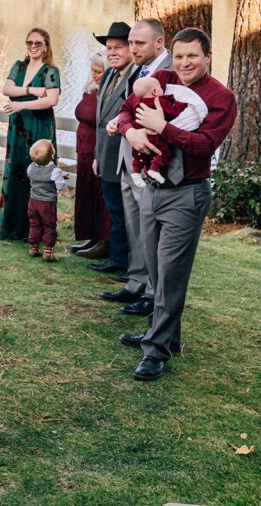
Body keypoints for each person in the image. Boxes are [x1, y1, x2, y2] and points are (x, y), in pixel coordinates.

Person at [117, 28, 236, 381]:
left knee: (170, 274)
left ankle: (155, 352)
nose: (184, 63)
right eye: (180, 56)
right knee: (154, 269)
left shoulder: (221, 97)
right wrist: (131, 132)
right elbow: (127, 110)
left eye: (192, 56)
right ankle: (163, 333)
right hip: (152, 188)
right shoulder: (163, 78)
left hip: (187, 193)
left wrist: (161, 126)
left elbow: (203, 144)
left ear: (208, 57)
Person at [98, 19, 174, 314]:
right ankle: (136, 281)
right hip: (127, 159)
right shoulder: (140, 71)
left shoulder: (171, 71)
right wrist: (122, 122)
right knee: (135, 226)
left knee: (152, 229)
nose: (133, 49)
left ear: (158, 42)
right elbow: (130, 107)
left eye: (138, 43)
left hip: (153, 162)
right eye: (131, 43)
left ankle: (154, 293)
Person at [0, 28, 61, 240]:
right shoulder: (19, 66)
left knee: (39, 173)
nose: (33, 46)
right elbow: (6, 89)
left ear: (46, 46)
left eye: (38, 43)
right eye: (29, 42)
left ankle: (39, 230)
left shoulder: (51, 71)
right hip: (18, 126)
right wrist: (31, 90)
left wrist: (21, 106)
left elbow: (51, 100)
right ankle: (14, 227)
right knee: (17, 169)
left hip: (39, 127)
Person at [88, 21, 134, 275]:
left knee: (126, 212)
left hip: (125, 156)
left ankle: (127, 262)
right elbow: (100, 119)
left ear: (131, 48)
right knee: (114, 209)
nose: (112, 52)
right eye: (109, 48)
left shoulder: (136, 76)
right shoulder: (108, 75)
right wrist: (96, 155)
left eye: (118, 47)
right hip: (105, 154)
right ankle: (117, 259)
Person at [123, 77, 206, 186]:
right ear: (154, 91)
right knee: (164, 151)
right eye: (161, 89)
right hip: (155, 136)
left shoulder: (139, 104)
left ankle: (136, 172)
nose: (163, 91)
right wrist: (182, 104)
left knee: (139, 156)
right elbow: (173, 111)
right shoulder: (159, 101)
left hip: (141, 136)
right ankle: (155, 169)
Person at [71, 53, 111, 258]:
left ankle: (104, 240)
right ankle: (92, 236)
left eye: (99, 71)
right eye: (93, 71)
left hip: (97, 146)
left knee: (99, 194)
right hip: (83, 147)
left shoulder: (108, 92)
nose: (95, 75)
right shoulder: (90, 90)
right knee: (86, 191)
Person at [26, 139, 67, 262]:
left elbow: (35, 177)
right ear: (52, 155)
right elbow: (60, 186)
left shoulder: (30, 167)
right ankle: (48, 251)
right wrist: (62, 178)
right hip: (47, 203)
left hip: (33, 201)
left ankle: (33, 247)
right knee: (49, 225)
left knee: (34, 223)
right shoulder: (54, 170)